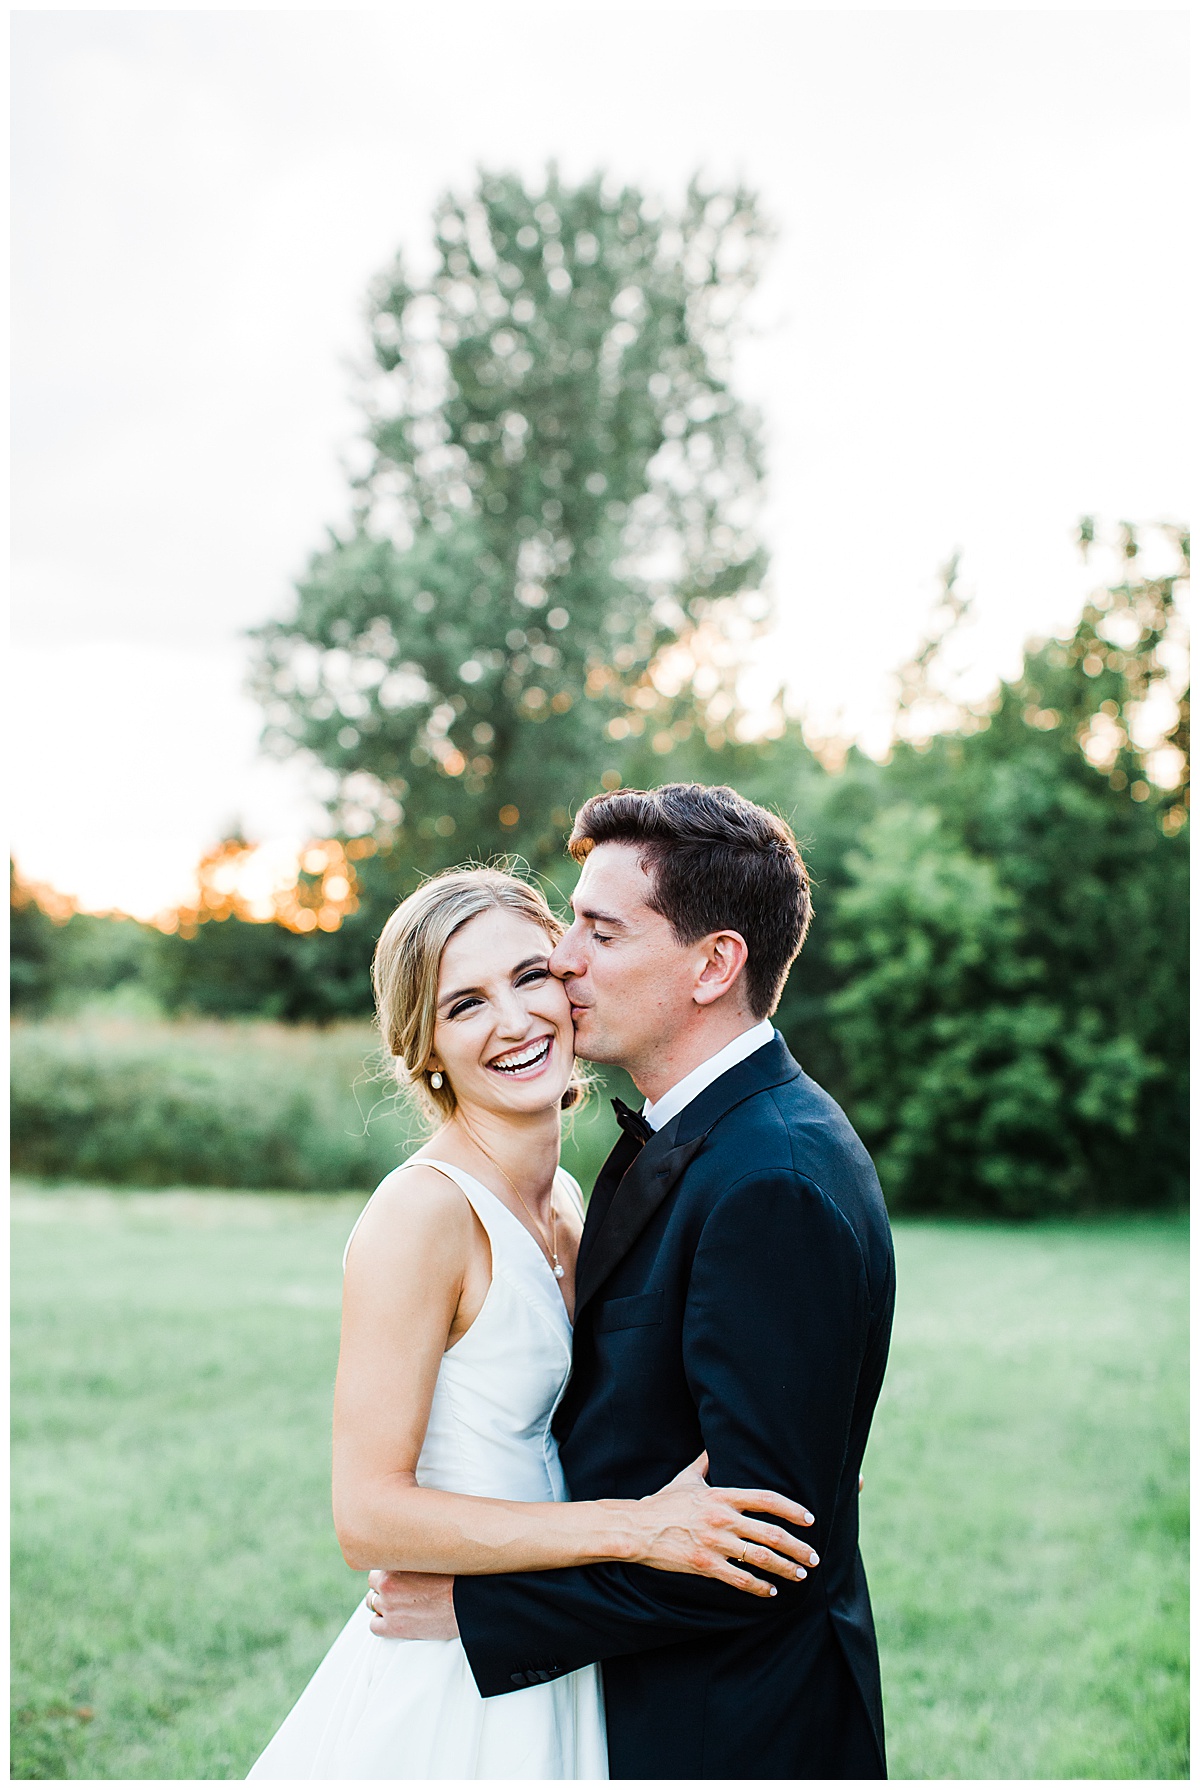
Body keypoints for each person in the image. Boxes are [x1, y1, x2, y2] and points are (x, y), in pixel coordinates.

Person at [369, 783, 896, 1779]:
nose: (563, 956)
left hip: (735, 1726)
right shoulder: (694, 1133)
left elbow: (757, 1548)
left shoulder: (768, 1176)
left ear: (714, 963)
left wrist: (477, 1608)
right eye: (571, 919)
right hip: (637, 1694)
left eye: (599, 931)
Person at [248, 864, 819, 1780]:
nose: (514, 1022)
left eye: (528, 976)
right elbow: (367, 1516)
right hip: (449, 1677)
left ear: (569, 977)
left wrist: (789, 1432)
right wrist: (635, 1528)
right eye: (463, 1004)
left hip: (549, 1641)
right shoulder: (421, 1217)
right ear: (423, 1046)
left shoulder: (564, 1197)